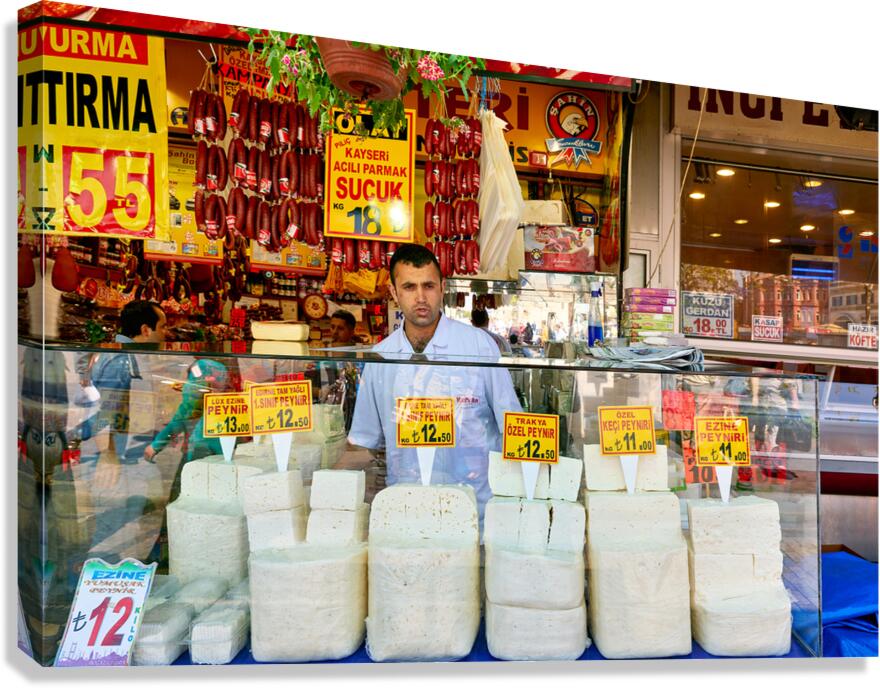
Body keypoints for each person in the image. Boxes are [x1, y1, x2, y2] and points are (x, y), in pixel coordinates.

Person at [348, 244, 522, 515]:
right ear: (393, 292)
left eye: (428, 286)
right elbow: (363, 441)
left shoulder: (478, 345)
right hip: (406, 506)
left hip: (474, 507)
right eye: (409, 287)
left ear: (442, 287)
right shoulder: (381, 357)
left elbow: (512, 425)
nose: (420, 297)